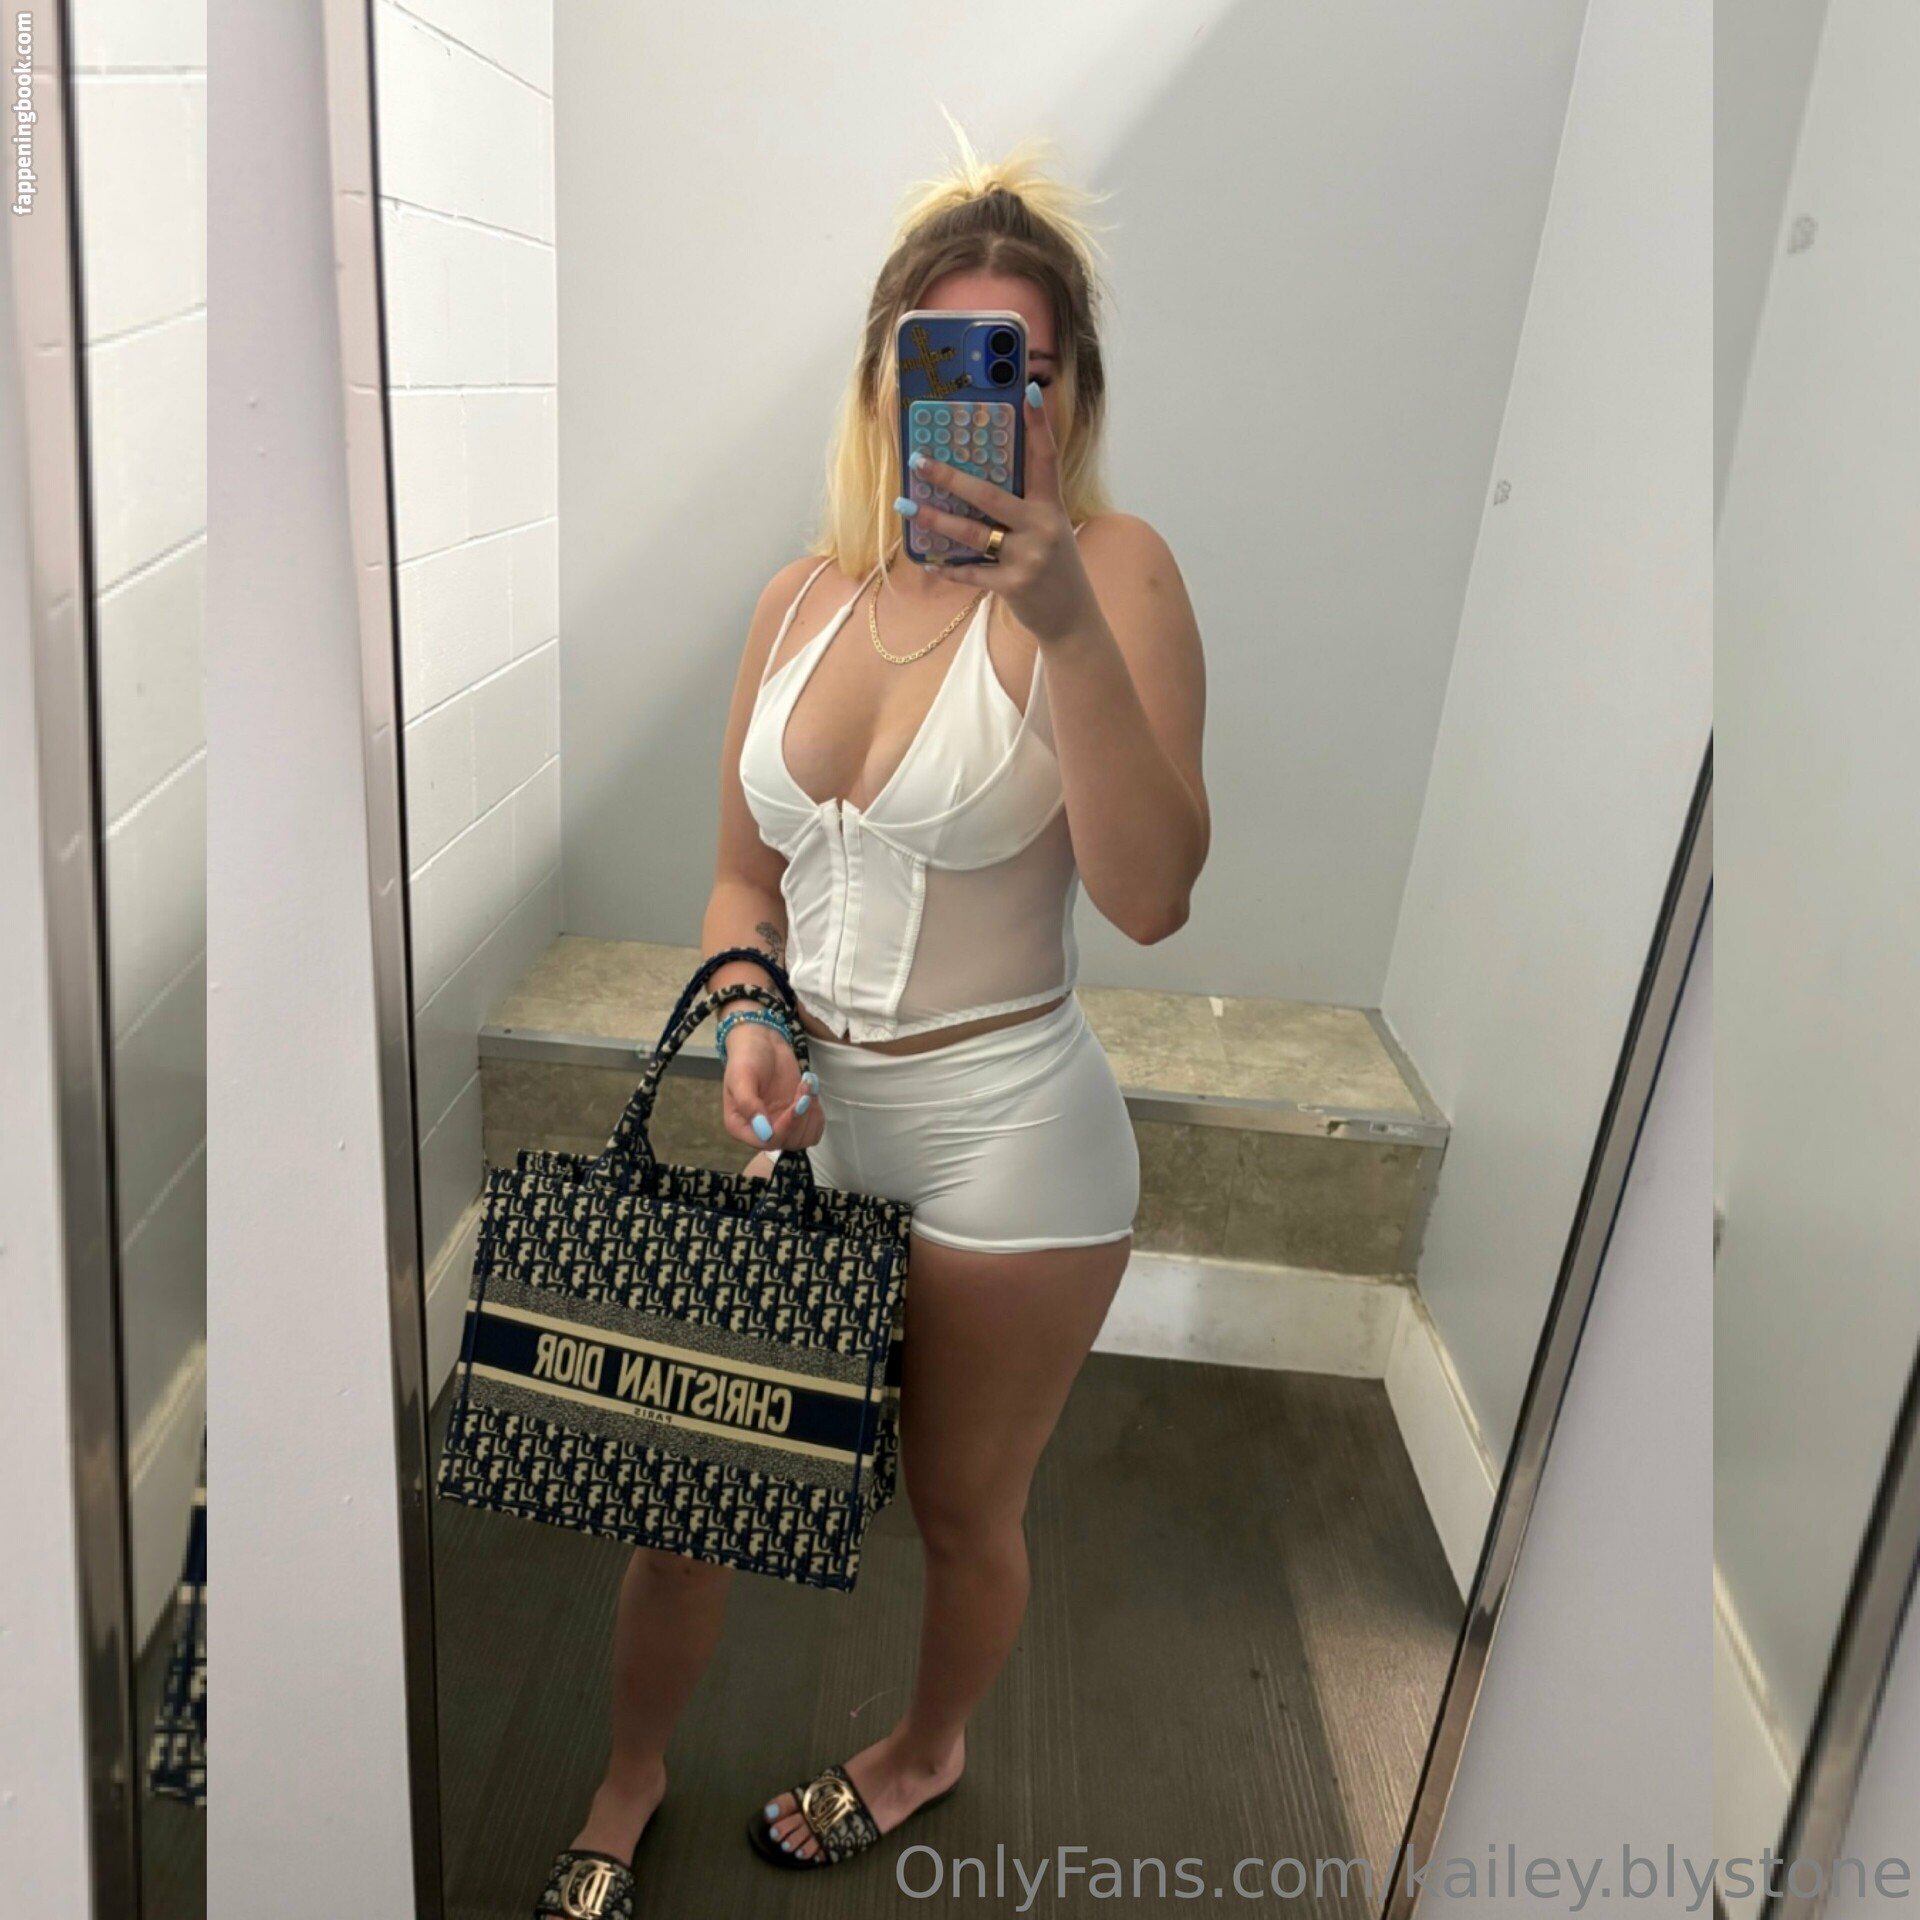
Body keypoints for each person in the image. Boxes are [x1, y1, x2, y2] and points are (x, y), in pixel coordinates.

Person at [537, 130, 1207, 1916]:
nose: (988, 400)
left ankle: (925, 1752)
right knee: (690, 1501)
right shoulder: (801, 599)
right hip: (805, 1122)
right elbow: (737, 884)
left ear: (1067, 395)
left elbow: (1153, 894)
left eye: (1023, 367)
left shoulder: (1118, 575)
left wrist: (1062, 623)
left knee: (958, 1509)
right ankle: (624, 1778)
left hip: (1012, 1139)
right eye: (947, 360)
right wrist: (750, 1019)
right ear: (883, 383)